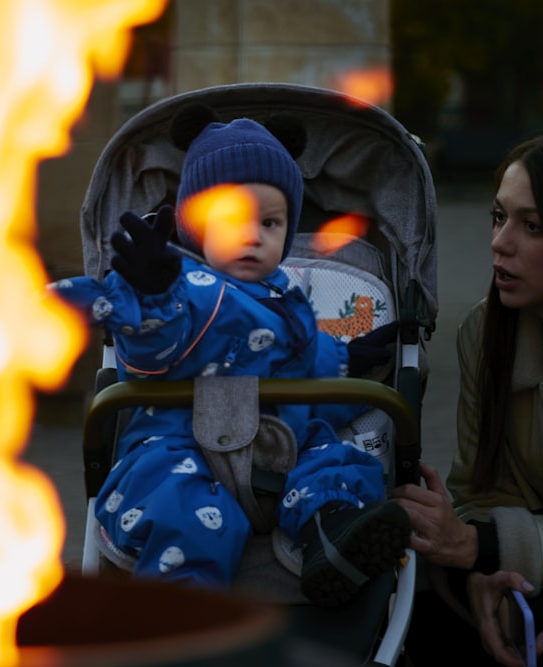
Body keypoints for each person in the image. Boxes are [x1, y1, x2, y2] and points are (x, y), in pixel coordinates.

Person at [51, 102, 409, 606]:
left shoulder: (292, 304)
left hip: (279, 450)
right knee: (184, 512)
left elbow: (310, 372)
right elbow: (149, 344)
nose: (252, 234)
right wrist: (152, 298)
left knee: (337, 461)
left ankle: (333, 534)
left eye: (271, 222)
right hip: (183, 450)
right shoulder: (181, 287)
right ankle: (185, 617)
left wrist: (351, 363)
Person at [392, 130, 543, 666]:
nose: (499, 242)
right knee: (408, 606)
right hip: (535, 570)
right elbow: (479, 491)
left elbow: (482, 533)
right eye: (498, 216)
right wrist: (491, 578)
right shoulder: (488, 335)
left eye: (531, 226)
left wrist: (482, 547)